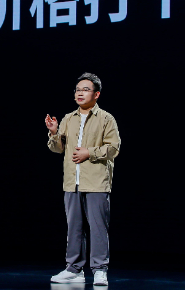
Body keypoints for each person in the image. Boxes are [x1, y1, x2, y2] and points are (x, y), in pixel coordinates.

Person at [45, 72, 120, 286]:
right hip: (72, 182)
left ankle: (99, 270)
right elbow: (58, 149)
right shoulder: (69, 118)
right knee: (74, 228)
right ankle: (74, 269)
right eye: (78, 90)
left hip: (96, 182)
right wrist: (53, 133)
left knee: (98, 228)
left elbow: (114, 148)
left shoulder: (106, 118)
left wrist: (90, 152)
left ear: (96, 94)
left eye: (85, 90)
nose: (80, 93)